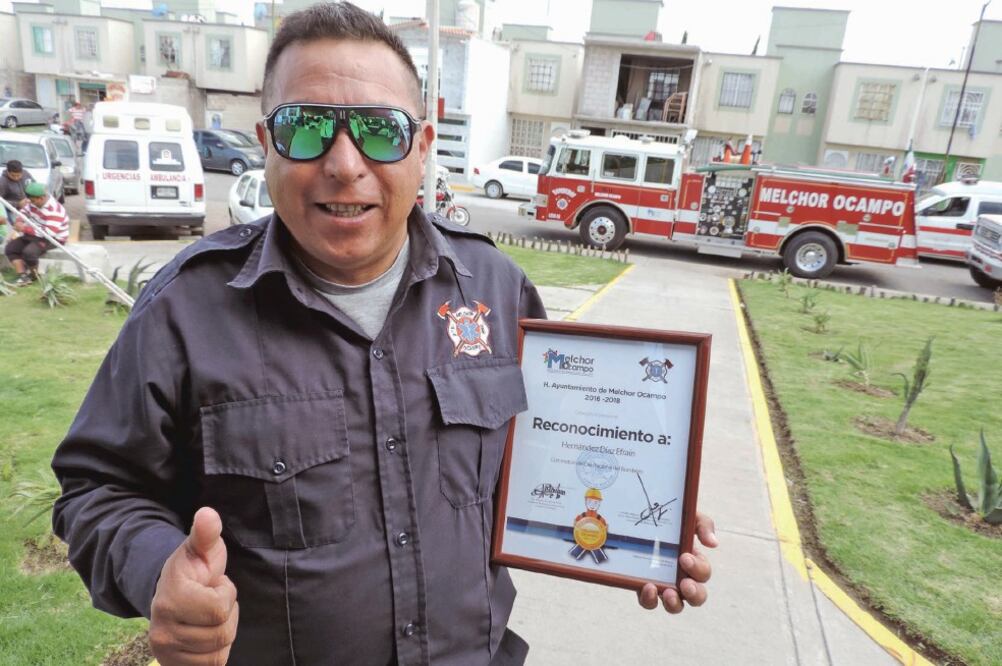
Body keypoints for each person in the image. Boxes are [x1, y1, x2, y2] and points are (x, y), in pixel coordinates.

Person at [50, 3, 716, 665]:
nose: (344, 163)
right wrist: (155, 569)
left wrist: (640, 526)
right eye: (306, 128)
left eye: (380, 129)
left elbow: (543, 461)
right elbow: (97, 488)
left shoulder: (494, 289)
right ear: (265, 142)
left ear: (422, 147)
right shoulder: (186, 312)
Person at [5, 181, 69, 285]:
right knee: (11, 248)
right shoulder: (33, 202)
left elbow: (49, 233)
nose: (31, 203)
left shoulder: (55, 210)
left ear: (42, 198)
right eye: (30, 200)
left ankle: (34, 276)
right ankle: (23, 276)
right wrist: (19, 222)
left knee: (29, 252)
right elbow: (23, 212)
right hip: (34, 233)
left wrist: (24, 229)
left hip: (53, 238)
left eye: (33, 201)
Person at [1, 160, 34, 229]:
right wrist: (17, 204)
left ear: (22, 172)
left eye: (18, 175)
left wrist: (31, 198)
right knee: (17, 228)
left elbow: (34, 186)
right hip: (12, 210)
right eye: (13, 175)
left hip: (28, 206)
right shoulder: (2, 182)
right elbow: (1, 202)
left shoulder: (26, 174)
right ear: (8, 172)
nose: (16, 178)